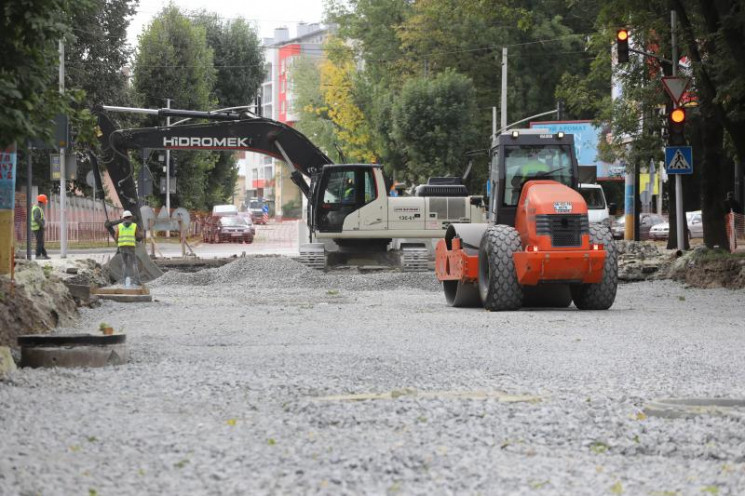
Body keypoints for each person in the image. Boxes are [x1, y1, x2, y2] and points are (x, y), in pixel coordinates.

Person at [113, 210, 143, 286]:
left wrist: (119, 243)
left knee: (124, 263)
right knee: (134, 263)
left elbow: (116, 237)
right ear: (131, 217)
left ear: (123, 218)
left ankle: (124, 280)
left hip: (122, 246)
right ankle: (137, 281)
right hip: (131, 246)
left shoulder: (119, 226)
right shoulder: (134, 226)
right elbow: (138, 236)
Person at [31, 194, 50, 260]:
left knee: (41, 242)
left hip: (37, 228)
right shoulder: (37, 209)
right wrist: (42, 225)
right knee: (39, 242)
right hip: (38, 228)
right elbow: (36, 218)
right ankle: (38, 255)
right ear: (43, 201)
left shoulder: (37, 208)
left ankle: (44, 255)